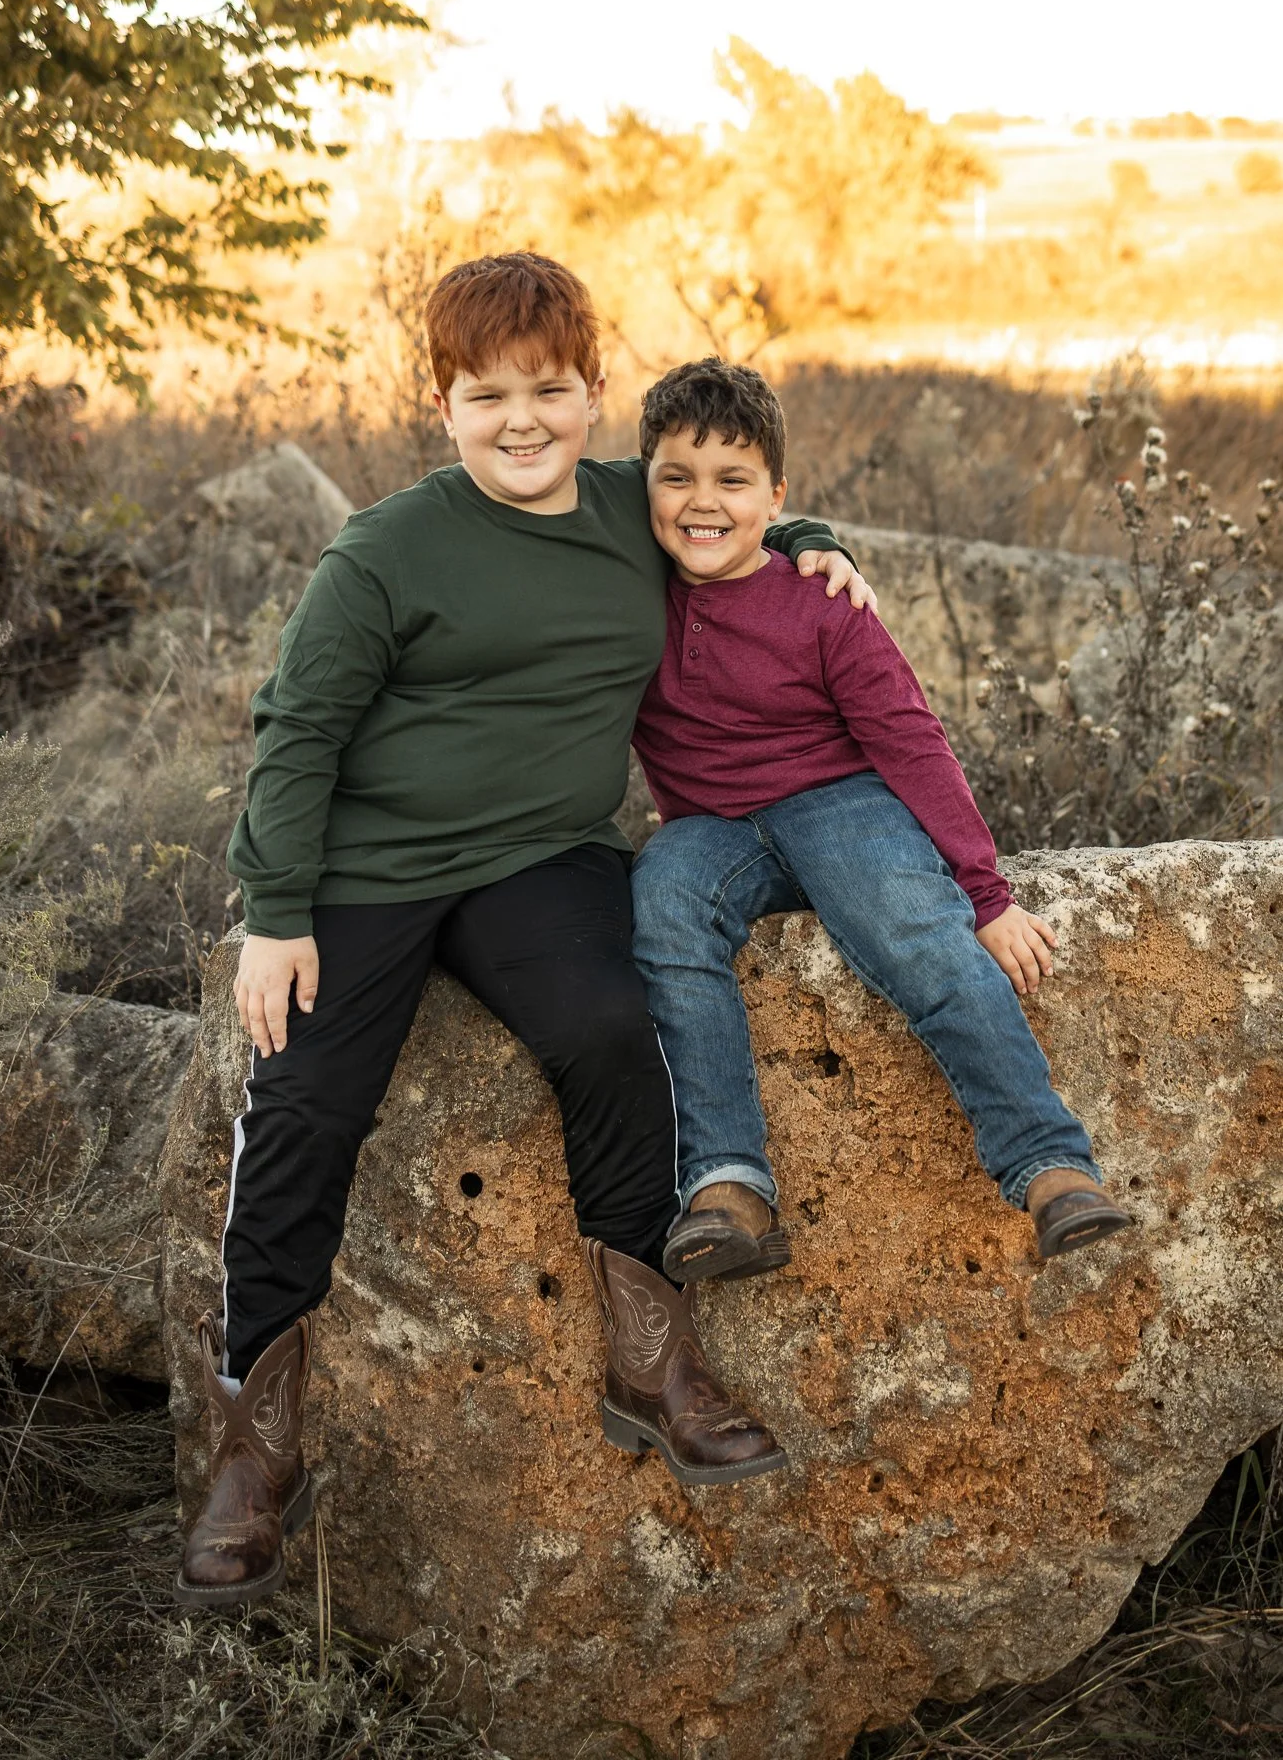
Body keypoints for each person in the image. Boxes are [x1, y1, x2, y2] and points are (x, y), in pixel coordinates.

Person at [175, 255, 878, 1608]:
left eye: (549, 390)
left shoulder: (629, 509)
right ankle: (254, 1442)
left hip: (541, 860)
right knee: (307, 1098)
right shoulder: (387, 547)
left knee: (614, 1027)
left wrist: (813, 537)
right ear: (442, 402)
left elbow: (730, 509)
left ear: (593, 391)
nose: (521, 420)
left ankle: (651, 1362)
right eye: (487, 394)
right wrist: (275, 911)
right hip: (369, 867)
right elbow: (298, 726)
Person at [627, 357, 1132, 1287]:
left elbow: (911, 741)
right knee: (659, 902)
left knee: (915, 929)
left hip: (839, 801)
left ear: (775, 496)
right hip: (711, 827)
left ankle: (1049, 1163)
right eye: (677, 477)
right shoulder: (625, 590)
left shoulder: (822, 601)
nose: (703, 502)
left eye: (733, 480)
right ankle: (727, 1183)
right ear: (642, 483)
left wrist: (985, 894)